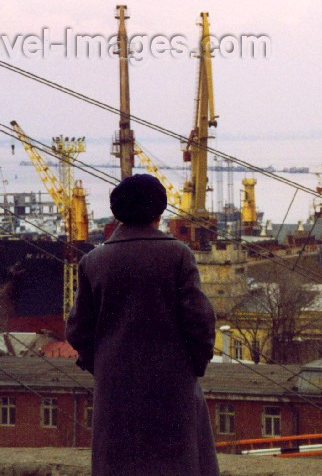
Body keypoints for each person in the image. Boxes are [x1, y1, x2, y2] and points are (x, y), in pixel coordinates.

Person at [66, 174, 219, 476]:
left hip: (115, 389)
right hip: (172, 385)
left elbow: (78, 330)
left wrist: (102, 366)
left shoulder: (94, 261)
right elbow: (200, 321)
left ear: (116, 212)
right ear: (159, 211)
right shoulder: (178, 255)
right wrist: (192, 367)